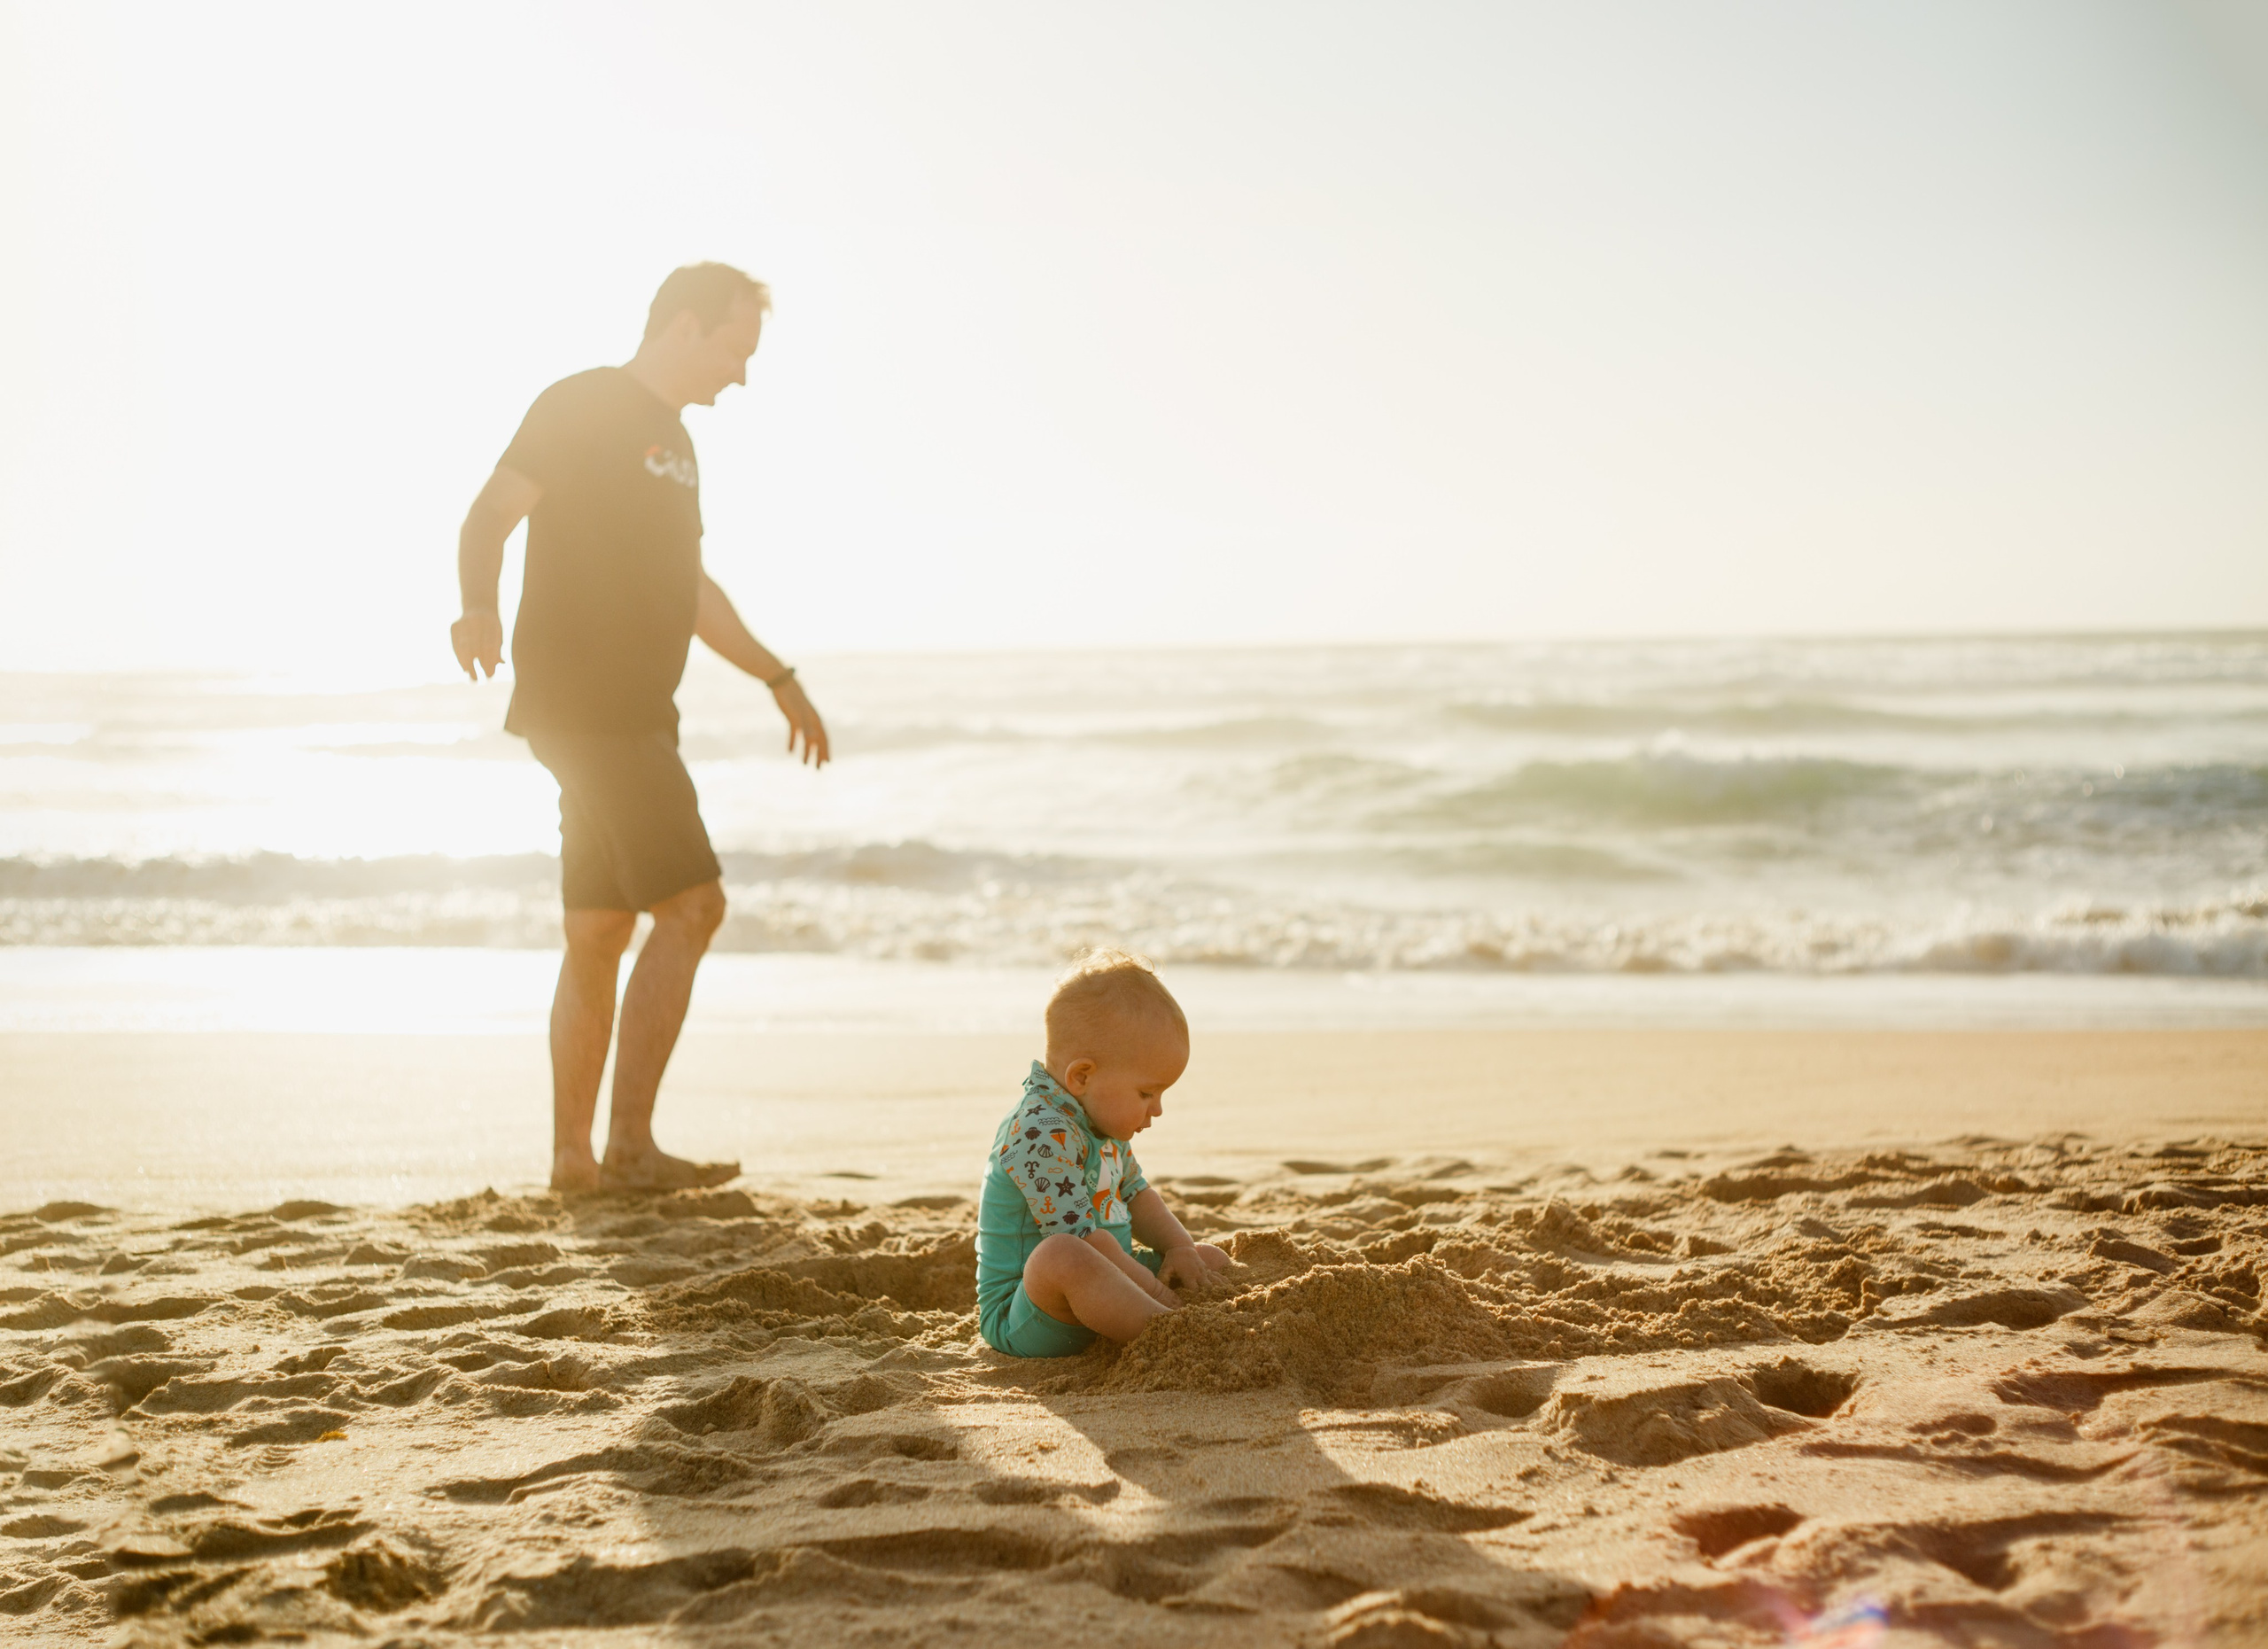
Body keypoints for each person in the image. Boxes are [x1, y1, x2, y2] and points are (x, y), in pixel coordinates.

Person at [449, 262, 828, 1194]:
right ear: (686, 327)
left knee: (599, 926)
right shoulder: (581, 404)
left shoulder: (677, 445)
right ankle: (626, 1146)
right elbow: (490, 515)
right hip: (592, 707)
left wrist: (775, 674)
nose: (740, 373)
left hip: (624, 715)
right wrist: (477, 609)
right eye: (736, 347)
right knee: (693, 907)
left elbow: (689, 590)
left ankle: (575, 1160)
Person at [976, 951, 1232, 1357]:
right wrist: (1156, 1293)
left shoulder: (1101, 1123)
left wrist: (1180, 1246)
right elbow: (1086, 1242)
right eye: (1146, 1093)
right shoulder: (1039, 1132)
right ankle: (1166, 1332)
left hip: (1108, 1288)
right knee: (1063, 1254)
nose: (1158, 1109)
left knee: (1208, 1259)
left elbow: (1137, 1193)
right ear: (1082, 1076)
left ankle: (1153, 1317)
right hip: (1030, 1311)